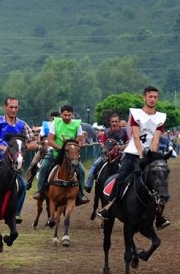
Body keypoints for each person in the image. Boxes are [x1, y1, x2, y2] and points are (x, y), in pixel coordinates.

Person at [99, 86, 171, 229]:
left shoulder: (160, 117)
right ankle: (109, 206)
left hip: (149, 155)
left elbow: (155, 139)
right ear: (143, 97)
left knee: (159, 181)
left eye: (155, 97)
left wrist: (152, 156)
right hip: (133, 153)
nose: (152, 99)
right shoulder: (136, 114)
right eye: (150, 96)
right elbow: (136, 137)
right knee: (121, 177)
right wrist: (140, 153)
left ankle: (159, 216)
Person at [33, 104, 89, 206]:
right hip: (55, 152)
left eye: (69, 115)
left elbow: (80, 141)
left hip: (71, 155)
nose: (67, 117)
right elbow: (50, 140)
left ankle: (80, 194)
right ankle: (40, 191)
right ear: (60, 114)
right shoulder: (55, 123)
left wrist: (74, 147)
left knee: (81, 170)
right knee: (44, 167)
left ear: (72, 115)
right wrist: (61, 149)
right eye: (65, 115)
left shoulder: (77, 125)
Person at [85, 113, 128, 192]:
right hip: (107, 155)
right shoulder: (106, 131)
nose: (114, 123)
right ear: (110, 122)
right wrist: (104, 147)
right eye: (113, 122)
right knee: (95, 164)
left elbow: (128, 142)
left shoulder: (125, 132)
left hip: (120, 155)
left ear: (119, 122)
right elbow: (102, 142)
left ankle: (128, 186)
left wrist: (122, 147)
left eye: (116, 121)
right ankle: (89, 184)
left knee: (128, 167)